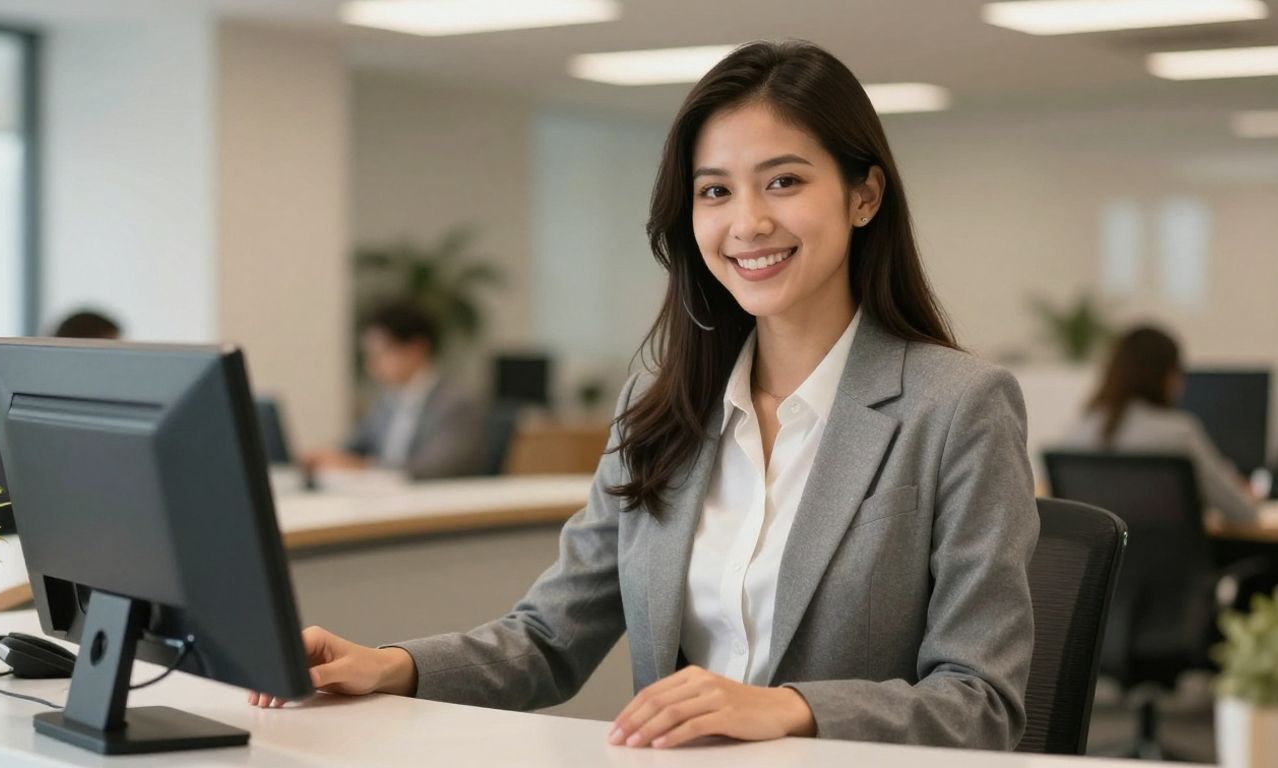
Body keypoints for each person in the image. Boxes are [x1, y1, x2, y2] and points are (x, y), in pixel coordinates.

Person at [252, 40, 1039, 751]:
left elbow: (981, 703)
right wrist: (389, 665)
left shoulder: (958, 406)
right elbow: (549, 637)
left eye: (785, 181)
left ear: (864, 197)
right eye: (715, 192)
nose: (749, 222)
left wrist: (792, 708)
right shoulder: (662, 404)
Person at [1057, 325, 1259, 523]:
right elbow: (1241, 512)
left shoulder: (1080, 429)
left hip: (1108, 557)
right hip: (1172, 556)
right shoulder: (1179, 433)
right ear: (1168, 376)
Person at [0, 309, 123, 533]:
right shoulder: (48, 406)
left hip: (3, 525)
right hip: (1, 532)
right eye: (111, 354)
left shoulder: (30, 392)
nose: (115, 367)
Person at [303, 301, 485, 480]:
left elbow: (432, 469)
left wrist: (361, 467)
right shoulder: (386, 402)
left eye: (380, 354)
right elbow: (354, 446)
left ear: (416, 350)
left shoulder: (455, 405)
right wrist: (324, 457)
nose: (371, 365)